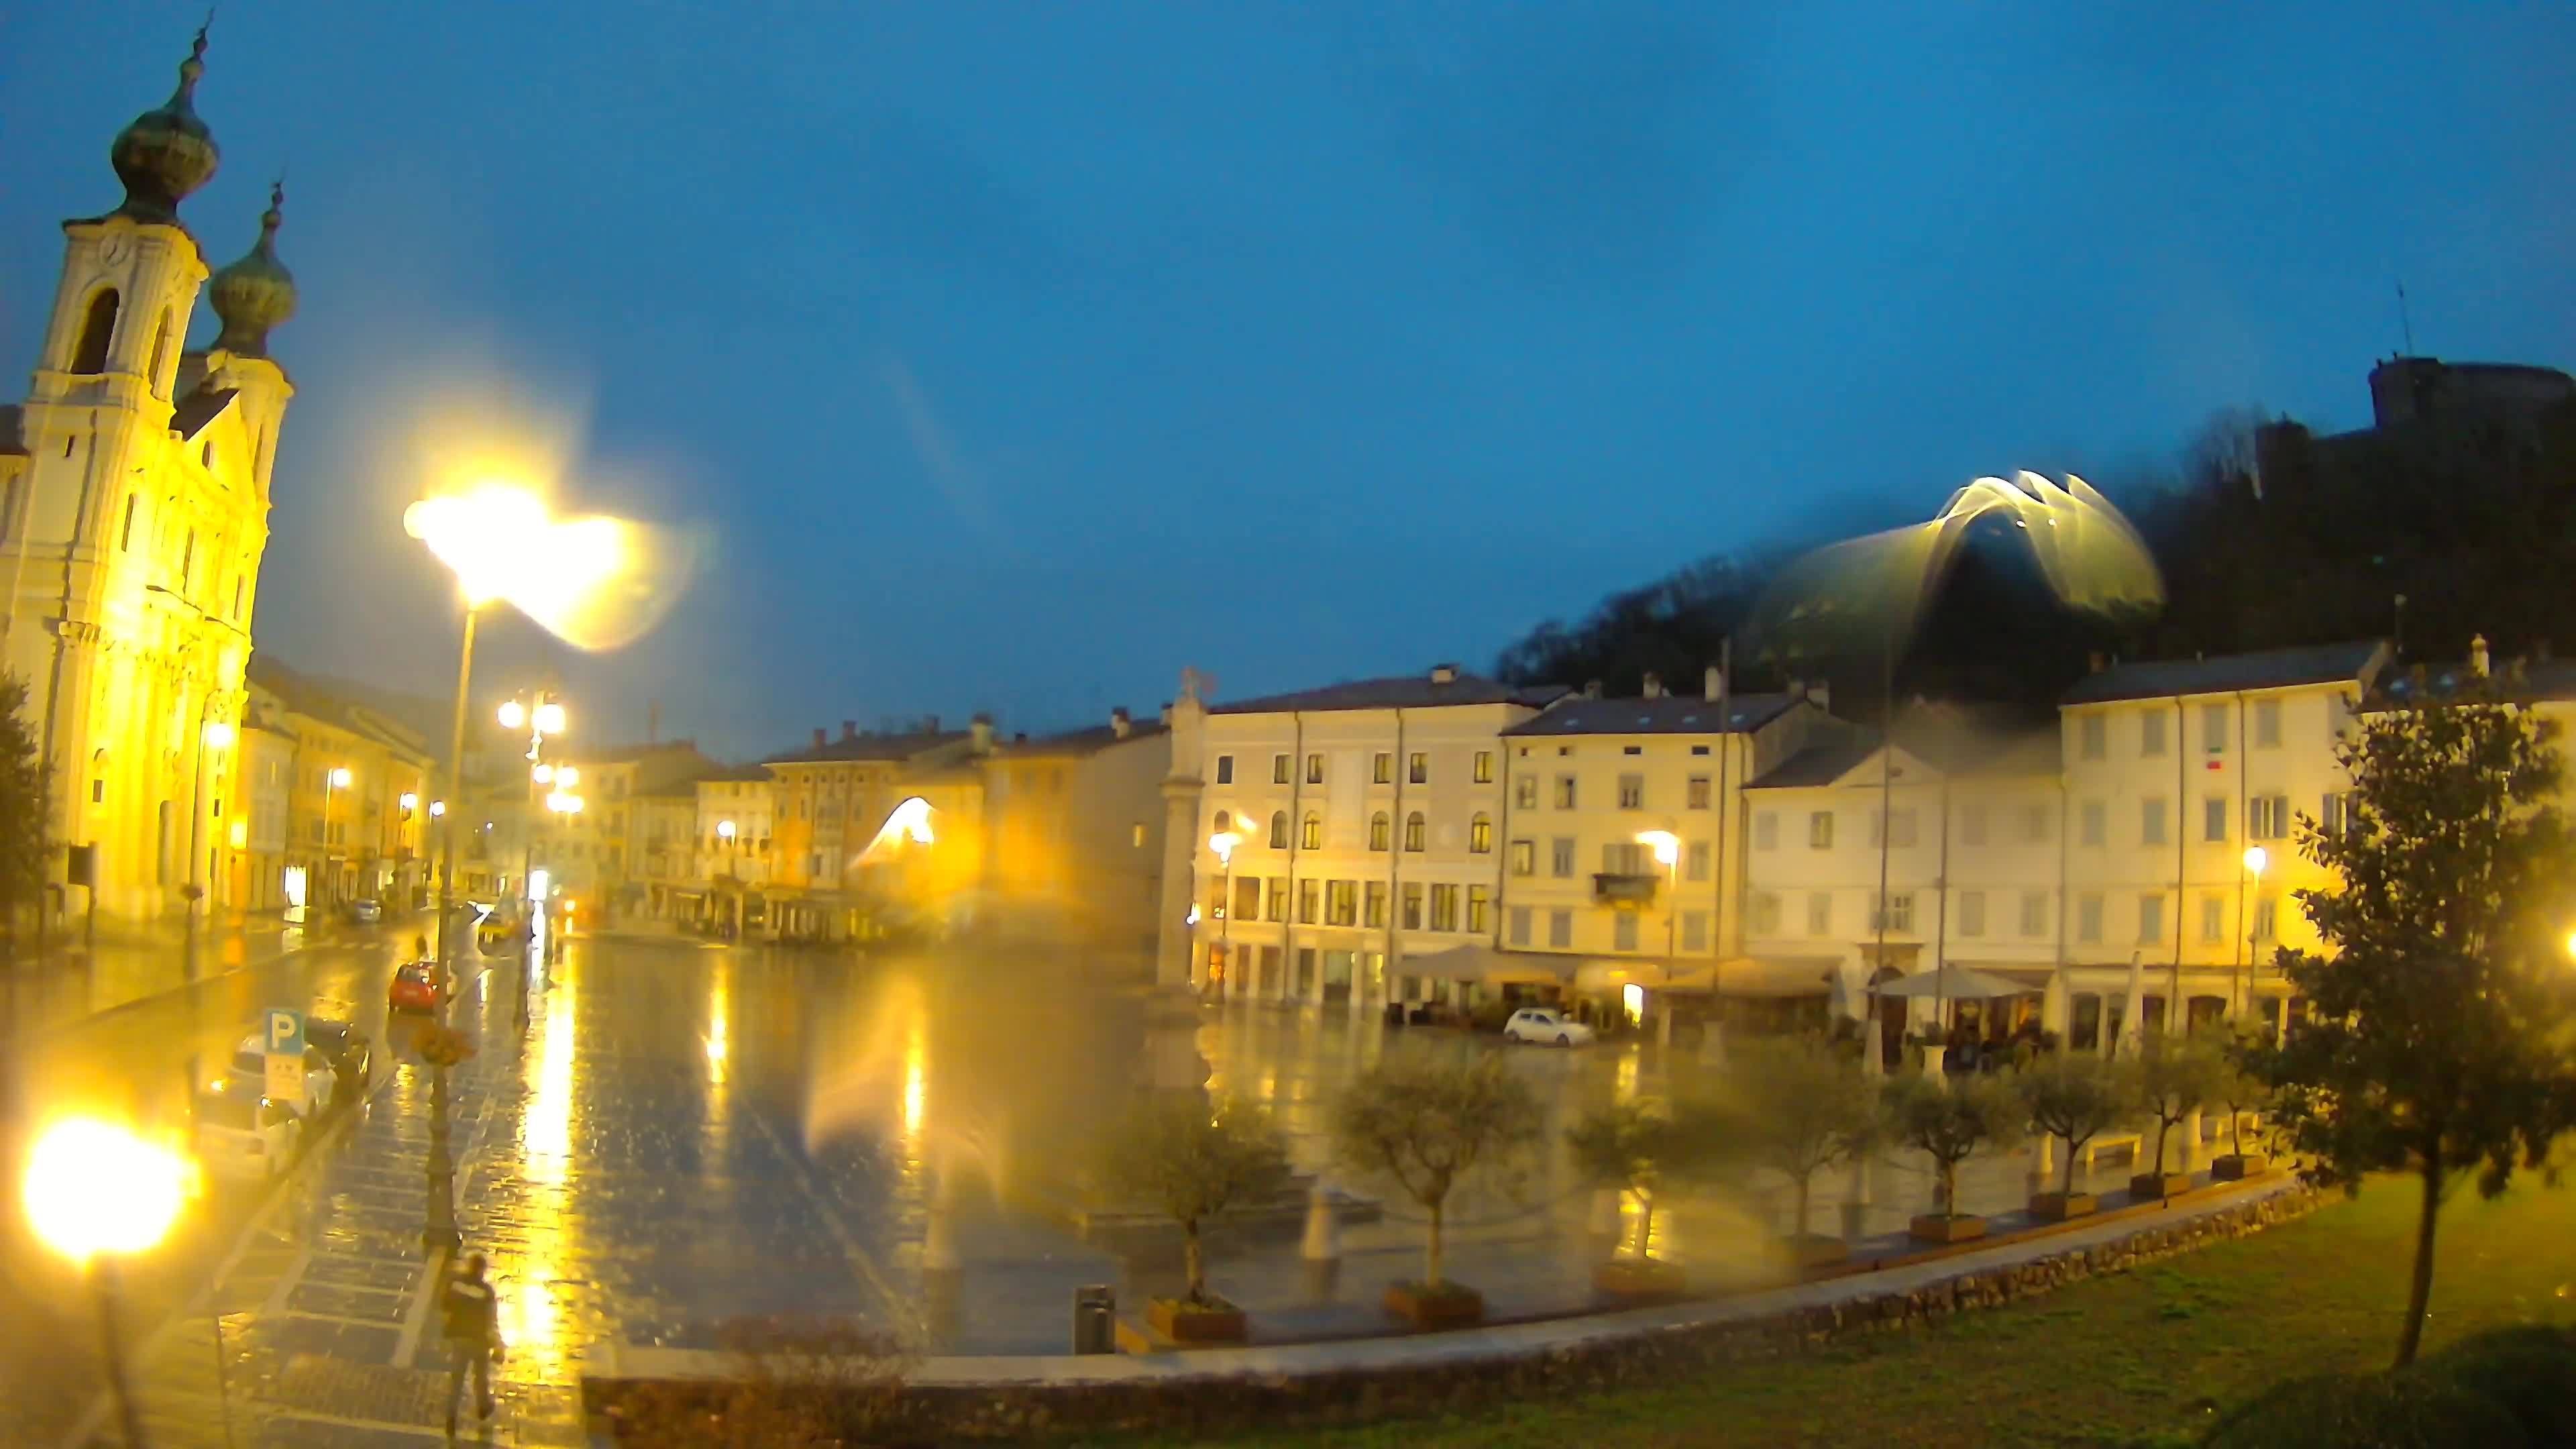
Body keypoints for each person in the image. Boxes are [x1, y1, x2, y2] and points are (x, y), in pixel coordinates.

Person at [439, 1252, 503, 1433]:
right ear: (482, 1270)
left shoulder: (456, 1283)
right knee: (481, 1378)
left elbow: (445, 1305)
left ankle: (451, 1416)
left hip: (459, 1337)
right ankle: (483, 1407)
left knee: (457, 1379)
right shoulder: (486, 1292)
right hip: (479, 1340)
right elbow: (492, 1321)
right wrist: (499, 1346)